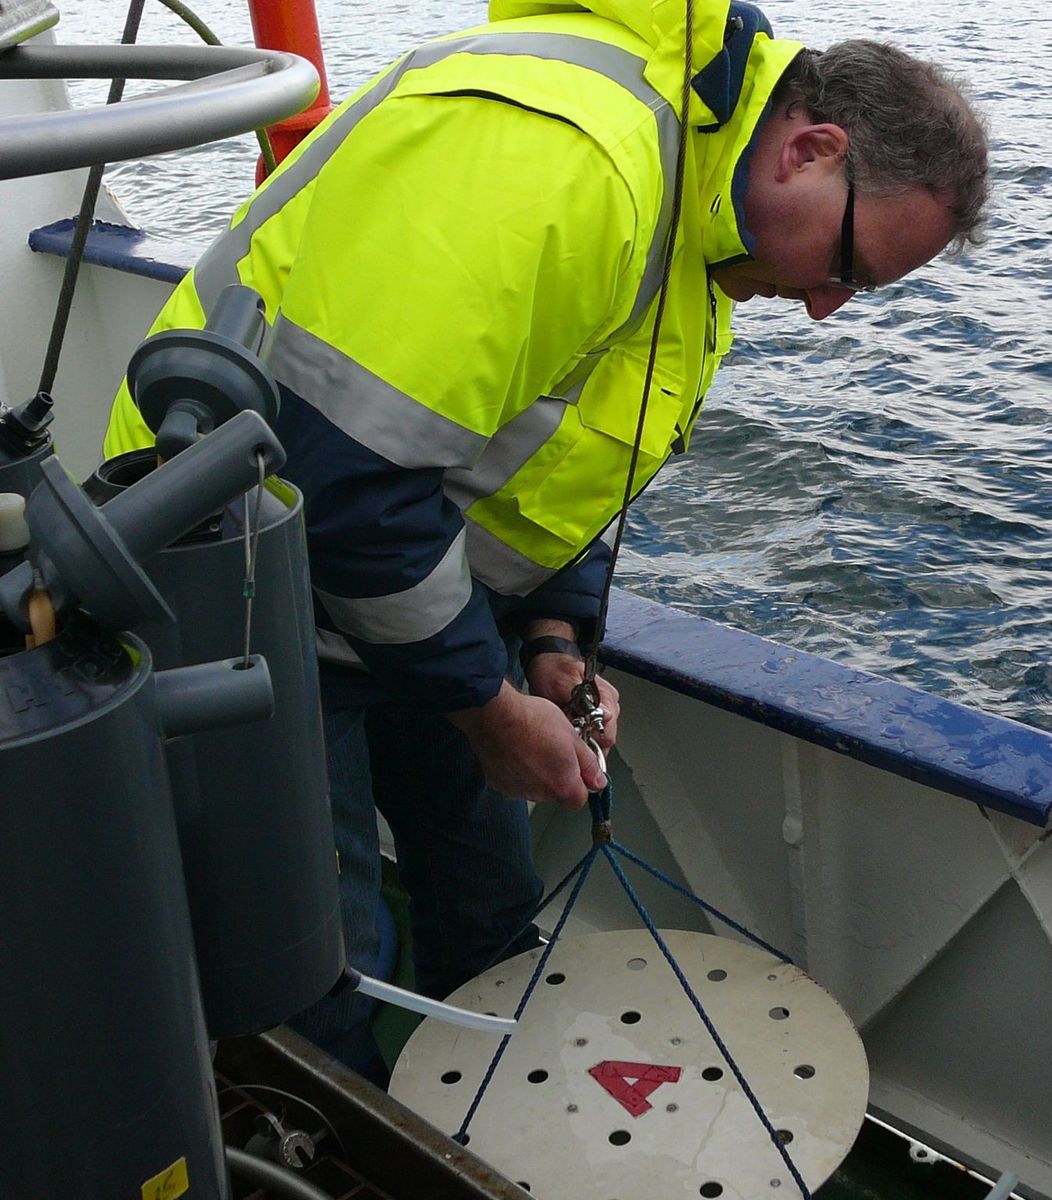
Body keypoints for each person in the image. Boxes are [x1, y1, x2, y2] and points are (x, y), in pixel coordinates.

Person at [104, 0, 989, 1084]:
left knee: (490, 914)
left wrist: (557, 640)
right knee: (313, 972)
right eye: (846, 265)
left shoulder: (710, 227)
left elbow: (553, 464)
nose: (825, 308)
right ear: (811, 149)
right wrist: (485, 707)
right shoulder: (571, 162)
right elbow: (345, 472)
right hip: (235, 567)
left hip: (406, 593)